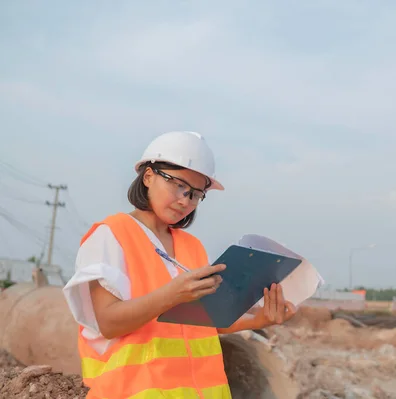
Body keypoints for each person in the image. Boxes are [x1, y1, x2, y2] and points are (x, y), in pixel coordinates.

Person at [62, 131, 297, 399]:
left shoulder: (192, 247)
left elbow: (201, 323)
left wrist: (260, 319)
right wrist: (173, 294)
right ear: (148, 176)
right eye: (178, 185)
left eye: (196, 194)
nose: (186, 200)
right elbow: (109, 323)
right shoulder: (111, 235)